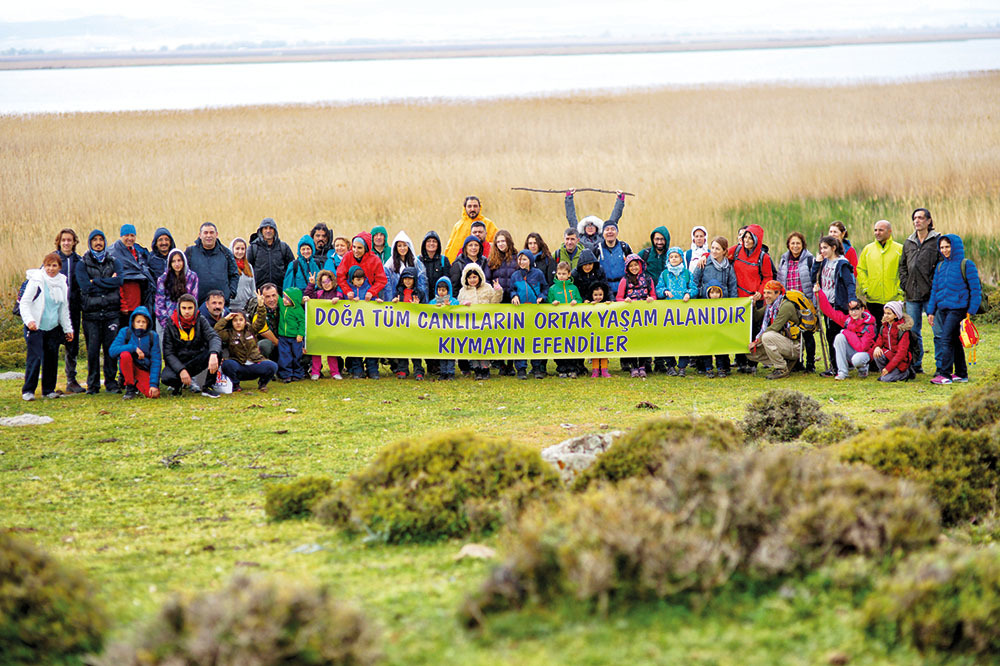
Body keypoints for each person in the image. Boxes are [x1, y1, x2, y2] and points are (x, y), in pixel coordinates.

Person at [927, 234, 981, 385]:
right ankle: (961, 374)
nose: (944, 250)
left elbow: (975, 290)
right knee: (956, 341)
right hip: (943, 309)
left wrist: (971, 311)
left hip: (959, 309)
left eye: (947, 247)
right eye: (942, 247)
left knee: (946, 339)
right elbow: (935, 290)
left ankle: (944, 374)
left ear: (955, 247)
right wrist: (931, 311)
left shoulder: (967, 264)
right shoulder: (940, 266)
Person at [19, 253, 74, 401]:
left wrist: (68, 329)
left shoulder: (62, 283)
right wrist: (30, 321)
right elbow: (24, 303)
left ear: (59, 267)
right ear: (43, 265)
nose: (50, 269)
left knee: (51, 359)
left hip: (53, 327)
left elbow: (63, 309)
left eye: (54, 265)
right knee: (35, 358)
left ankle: (48, 390)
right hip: (36, 327)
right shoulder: (36, 281)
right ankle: (28, 390)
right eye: (48, 265)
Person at [76, 230, 124, 394]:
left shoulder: (113, 261)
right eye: (94, 240)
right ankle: (93, 385)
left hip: (111, 313)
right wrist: (108, 282)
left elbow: (119, 281)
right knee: (93, 350)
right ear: (90, 243)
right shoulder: (82, 263)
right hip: (91, 314)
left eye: (101, 239)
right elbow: (85, 287)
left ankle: (111, 384)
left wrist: (96, 281)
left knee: (111, 349)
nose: (98, 242)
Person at [898, 208, 942, 375]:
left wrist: (933, 285)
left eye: (921, 218)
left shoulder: (937, 240)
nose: (917, 221)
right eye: (915, 218)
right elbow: (902, 265)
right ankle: (916, 365)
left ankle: (941, 367)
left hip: (931, 295)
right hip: (912, 295)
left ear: (929, 221)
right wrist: (905, 283)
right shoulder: (908, 242)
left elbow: (940, 265)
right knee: (913, 332)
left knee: (938, 331)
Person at [728, 224, 774, 374]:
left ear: (757, 240)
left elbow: (768, 276)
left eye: (750, 238)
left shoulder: (763, 257)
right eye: (745, 237)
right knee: (738, 330)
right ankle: (740, 361)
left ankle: (752, 363)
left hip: (754, 301)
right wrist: (705, 257)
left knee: (753, 331)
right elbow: (720, 254)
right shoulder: (736, 250)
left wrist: (760, 292)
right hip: (737, 298)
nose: (746, 240)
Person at [811, 235, 857, 377]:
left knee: (836, 336)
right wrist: (816, 264)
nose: (822, 251)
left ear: (833, 247)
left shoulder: (842, 263)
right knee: (830, 334)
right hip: (826, 304)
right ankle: (835, 365)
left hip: (838, 304)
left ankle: (839, 366)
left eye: (825, 248)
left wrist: (852, 298)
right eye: (821, 248)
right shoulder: (823, 262)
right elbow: (813, 278)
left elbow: (850, 283)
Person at [160, 294, 222, 398]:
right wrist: (181, 370)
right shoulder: (171, 324)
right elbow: (168, 353)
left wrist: (213, 354)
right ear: (179, 308)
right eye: (184, 308)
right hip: (179, 361)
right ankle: (177, 386)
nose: (187, 311)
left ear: (195, 308)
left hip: (196, 359)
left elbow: (214, 337)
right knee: (166, 377)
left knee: (217, 351)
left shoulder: (201, 320)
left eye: (190, 308)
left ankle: (208, 387)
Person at [776, 232, 817, 373]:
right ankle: (796, 363)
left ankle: (810, 363)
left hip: (805, 302)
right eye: (792, 243)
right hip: (789, 303)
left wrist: (814, 304)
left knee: (807, 333)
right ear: (788, 245)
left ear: (803, 245)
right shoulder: (783, 260)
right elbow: (780, 281)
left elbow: (814, 282)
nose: (795, 246)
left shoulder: (810, 259)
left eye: (798, 243)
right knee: (792, 334)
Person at [746, 281, 802, 380]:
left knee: (767, 336)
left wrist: (756, 342)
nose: (766, 296)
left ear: (778, 293)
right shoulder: (770, 306)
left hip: (794, 346)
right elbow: (756, 317)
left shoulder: (786, 306)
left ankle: (781, 369)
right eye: (764, 293)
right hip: (781, 342)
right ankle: (786, 361)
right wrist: (753, 305)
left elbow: (775, 327)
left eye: (769, 293)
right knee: (749, 353)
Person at [816, 292, 877, 381]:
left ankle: (863, 369)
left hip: (865, 354)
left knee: (857, 358)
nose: (854, 312)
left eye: (857, 309)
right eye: (851, 310)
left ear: (862, 309)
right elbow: (829, 311)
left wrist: (846, 332)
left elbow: (862, 347)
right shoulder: (847, 320)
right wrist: (819, 293)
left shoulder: (869, 325)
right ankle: (842, 372)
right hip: (853, 353)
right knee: (839, 337)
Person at [457, 263, 503, 379]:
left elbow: (494, 303)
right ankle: (476, 367)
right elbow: (458, 306)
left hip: (485, 323)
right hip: (470, 324)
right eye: (470, 277)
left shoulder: (487, 288)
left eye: (475, 277)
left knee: (484, 345)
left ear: (480, 277)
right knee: (473, 345)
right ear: (466, 279)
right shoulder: (463, 291)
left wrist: (498, 291)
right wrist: (463, 306)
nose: (472, 280)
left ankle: (485, 367)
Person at [109, 223, 156, 335]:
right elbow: (117, 282)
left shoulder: (138, 253)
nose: (130, 239)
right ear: (121, 236)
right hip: (124, 304)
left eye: (132, 235)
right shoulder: (115, 254)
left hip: (137, 302)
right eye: (126, 235)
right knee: (123, 333)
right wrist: (123, 304)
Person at [655, 247, 696, 376]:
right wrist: (664, 292)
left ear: (681, 258)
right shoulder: (665, 274)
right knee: (669, 338)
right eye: (671, 257)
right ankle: (670, 365)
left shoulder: (687, 273)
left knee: (684, 338)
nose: (674, 259)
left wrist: (689, 294)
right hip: (669, 313)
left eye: (676, 257)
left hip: (684, 312)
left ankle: (682, 365)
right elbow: (658, 289)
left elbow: (694, 288)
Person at [215, 308, 278, 392]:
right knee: (227, 364)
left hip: (255, 363)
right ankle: (236, 385)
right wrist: (226, 319)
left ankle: (262, 384)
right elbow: (216, 331)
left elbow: (260, 322)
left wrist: (261, 306)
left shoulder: (251, 330)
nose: (238, 323)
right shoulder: (228, 334)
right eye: (235, 320)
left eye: (241, 320)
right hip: (239, 365)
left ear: (245, 321)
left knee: (272, 366)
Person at [54, 228, 85, 393]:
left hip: (73, 308)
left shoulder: (79, 261)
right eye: (63, 240)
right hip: (53, 309)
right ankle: (48, 381)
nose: (66, 243)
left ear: (74, 242)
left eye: (69, 240)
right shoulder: (52, 260)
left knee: (71, 344)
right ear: (59, 242)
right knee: (51, 344)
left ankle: (71, 380)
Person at [857, 219, 904, 325]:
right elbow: (861, 269)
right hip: (873, 299)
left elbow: (905, 271)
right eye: (875, 230)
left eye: (881, 230)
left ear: (889, 231)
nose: (877, 233)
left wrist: (900, 289)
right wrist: (866, 288)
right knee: (875, 330)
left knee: (894, 331)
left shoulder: (899, 249)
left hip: (893, 298)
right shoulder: (868, 249)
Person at [510, 249, 548, 380]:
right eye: (520, 259)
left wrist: (542, 297)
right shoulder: (515, 275)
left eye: (524, 259)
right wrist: (514, 296)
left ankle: (536, 367)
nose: (522, 262)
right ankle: (521, 368)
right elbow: (511, 289)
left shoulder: (538, 274)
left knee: (535, 339)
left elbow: (545, 288)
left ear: (530, 261)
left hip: (534, 312)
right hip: (520, 313)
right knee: (520, 340)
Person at [109, 306, 160, 400]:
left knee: (152, 394)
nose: (140, 324)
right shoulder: (125, 332)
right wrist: (133, 348)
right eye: (138, 322)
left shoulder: (153, 336)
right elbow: (112, 351)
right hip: (129, 366)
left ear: (148, 323)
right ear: (132, 322)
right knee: (125, 355)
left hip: (143, 368)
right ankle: (129, 387)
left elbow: (156, 361)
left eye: (143, 322)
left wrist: (154, 384)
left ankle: (137, 383)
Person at [616, 254, 655, 378]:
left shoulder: (648, 279)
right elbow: (618, 298)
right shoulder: (624, 280)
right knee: (632, 340)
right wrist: (625, 301)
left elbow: (654, 295)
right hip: (630, 317)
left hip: (644, 316)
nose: (634, 268)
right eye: (631, 266)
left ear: (640, 265)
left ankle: (642, 365)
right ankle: (633, 366)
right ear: (627, 268)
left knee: (643, 340)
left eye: (636, 265)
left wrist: (650, 299)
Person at [338, 266, 380, 380]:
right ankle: (357, 369)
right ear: (352, 279)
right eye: (357, 279)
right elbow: (341, 302)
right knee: (355, 346)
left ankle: (372, 369)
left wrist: (377, 301)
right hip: (353, 325)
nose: (360, 282)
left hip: (368, 324)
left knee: (371, 346)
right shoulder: (347, 290)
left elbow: (374, 300)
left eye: (361, 279)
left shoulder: (368, 288)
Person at [303, 270, 342, 380]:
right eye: (323, 282)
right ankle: (315, 372)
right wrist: (311, 284)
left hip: (333, 328)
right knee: (317, 350)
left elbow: (343, 302)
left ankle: (335, 372)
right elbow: (308, 296)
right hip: (319, 327)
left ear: (332, 281)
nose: (326, 284)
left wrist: (338, 300)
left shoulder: (338, 294)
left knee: (331, 350)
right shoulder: (319, 294)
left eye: (328, 281)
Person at [185, 222, 238, 304]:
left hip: (220, 304)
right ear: (200, 235)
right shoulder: (190, 252)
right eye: (205, 233)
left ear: (216, 234)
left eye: (211, 232)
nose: (209, 236)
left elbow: (234, 274)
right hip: (196, 303)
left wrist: (231, 292)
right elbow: (183, 274)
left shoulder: (226, 253)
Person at [548, 261, 582, 378]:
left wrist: (576, 301)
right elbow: (548, 303)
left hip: (571, 323)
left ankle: (572, 368)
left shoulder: (573, 288)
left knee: (571, 345)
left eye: (564, 274)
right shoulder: (552, 289)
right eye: (559, 273)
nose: (561, 276)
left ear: (569, 274)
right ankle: (561, 368)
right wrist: (553, 303)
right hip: (558, 324)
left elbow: (580, 300)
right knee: (559, 345)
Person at [390, 266, 426, 380]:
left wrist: (418, 306)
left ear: (414, 279)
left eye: (410, 278)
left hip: (415, 326)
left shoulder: (419, 292)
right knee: (402, 349)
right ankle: (402, 369)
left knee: (415, 349)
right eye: (405, 279)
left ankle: (418, 370)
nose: (407, 281)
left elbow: (426, 309)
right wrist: (394, 302)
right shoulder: (398, 292)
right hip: (402, 326)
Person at [154, 249, 199, 333]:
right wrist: (168, 324)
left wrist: (186, 321)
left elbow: (194, 300)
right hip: (166, 321)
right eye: (173, 261)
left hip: (186, 320)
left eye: (179, 260)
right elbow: (159, 304)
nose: (177, 264)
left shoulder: (192, 277)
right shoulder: (163, 279)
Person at [336, 232, 388, 300]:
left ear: (366, 248)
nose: (356, 250)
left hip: (369, 297)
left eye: (359, 248)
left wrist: (372, 292)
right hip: (350, 296)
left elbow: (381, 280)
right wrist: (347, 290)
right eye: (354, 247)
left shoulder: (375, 260)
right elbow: (340, 276)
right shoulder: (348, 256)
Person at [444, 196, 498, 261]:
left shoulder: (489, 224)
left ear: (479, 208)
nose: (472, 209)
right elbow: (450, 248)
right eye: (469, 206)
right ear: (465, 208)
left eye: (475, 206)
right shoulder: (458, 226)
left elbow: (498, 246)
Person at [248, 218, 295, 293]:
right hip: (259, 292)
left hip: (280, 292)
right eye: (265, 228)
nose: (268, 231)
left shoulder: (283, 247)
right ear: (261, 231)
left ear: (275, 231)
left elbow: (292, 268)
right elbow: (248, 270)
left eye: (271, 228)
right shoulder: (253, 248)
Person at [872, 301, 913, 383]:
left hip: (901, 361)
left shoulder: (902, 330)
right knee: (877, 354)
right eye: (885, 313)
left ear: (895, 315)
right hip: (889, 356)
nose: (886, 316)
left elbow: (902, 353)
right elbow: (879, 341)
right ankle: (885, 373)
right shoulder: (884, 327)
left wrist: (888, 368)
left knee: (885, 379)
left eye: (889, 313)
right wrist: (877, 347)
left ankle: (906, 373)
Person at [381, 231, 428, 302]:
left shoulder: (415, 261)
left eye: (404, 245)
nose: (402, 248)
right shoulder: (390, 264)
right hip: (397, 298)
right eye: (399, 246)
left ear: (408, 246)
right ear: (395, 247)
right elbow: (387, 286)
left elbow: (422, 282)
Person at [697, 282, 731, 378]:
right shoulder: (703, 305)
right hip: (707, 333)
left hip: (719, 334)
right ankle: (708, 368)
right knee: (707, 352)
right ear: (708, 294)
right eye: (712, 293)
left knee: (720, 352)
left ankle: (721, 368)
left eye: (717, 293)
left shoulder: (725, 304)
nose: (715, 295)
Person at [428, 276, 459, 381]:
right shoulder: (433, 302)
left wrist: (448, 308)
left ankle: (450, 372)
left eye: (444, 290)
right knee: (441, 352)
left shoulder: (454, 301)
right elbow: (428, 313)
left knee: (450, 352)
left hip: (450, 332)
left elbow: (457, 313)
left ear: (448, 290)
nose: (441, 292)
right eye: (439, 290)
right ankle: (443, 372)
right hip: (439, 331)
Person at [276, 287, 306, 383]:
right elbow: (278, 298)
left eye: (287, 298)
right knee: (285, 356)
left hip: (295, 338)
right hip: (283, 337)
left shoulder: (298, 310)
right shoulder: (282, 305)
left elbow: (302, 323)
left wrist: (300, 334)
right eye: (284, 297)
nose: (284, 299)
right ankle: (286, 374)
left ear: (294, 300)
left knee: (297, 356)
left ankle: (298, 373)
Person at [585, 283, 612, 378]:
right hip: (593, 332)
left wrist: (609, 304)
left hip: (604, 331)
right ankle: (595, 369)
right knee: (595, 350)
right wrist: (588, 304)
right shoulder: (589, 304)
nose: (598, 297)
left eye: (600, 295)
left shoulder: (607, 304)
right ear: (592, 295)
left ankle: (604, 369)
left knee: (604, 350)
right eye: (595, 295)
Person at [249, 283, 281, 361]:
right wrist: (284, 346)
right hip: (262, 343)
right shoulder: (258, 310)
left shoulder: (283, 304)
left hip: (280, 340)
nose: (272, 299)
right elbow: (264, 332)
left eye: (274, 295)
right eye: (267, 297)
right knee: (265, 345)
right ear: (262, 298)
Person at [597, 222, 633, 291]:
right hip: (604, 290)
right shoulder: (597, 249)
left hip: (624, 288)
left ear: (617, 232)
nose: (610, 232)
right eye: (607, 229)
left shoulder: (624, 247)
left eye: (613, 229)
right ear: (603, 233)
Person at [487, 229, 518, 300]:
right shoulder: (492, 259)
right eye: (498, 242)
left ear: (509, 241)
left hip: (514, 299)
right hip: (497, 298)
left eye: (503, 241)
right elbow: (487, 280)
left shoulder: (517, 258)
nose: (500, 244)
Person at [418, 231, 451, 296]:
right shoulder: (418, 260)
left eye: (434, 241)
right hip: (422, 299)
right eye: (429, 241)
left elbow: (447, 281)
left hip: (439, 299)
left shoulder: (444, 260)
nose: (431, 243)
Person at [229, 238, 256, 312]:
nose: (240, 252)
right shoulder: (228, 266)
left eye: (242, 249)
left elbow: (253, 286)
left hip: (246, 306)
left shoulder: (249, 266)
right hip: (231, 306)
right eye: (237, 248)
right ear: (232, 249)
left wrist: (254, 301)